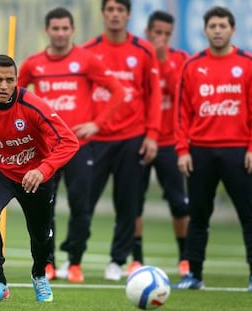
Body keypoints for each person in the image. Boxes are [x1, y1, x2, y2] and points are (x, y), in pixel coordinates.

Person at [0, 54, 79, 302]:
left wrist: (43, 170)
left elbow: (69, 142)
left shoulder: (33, 106)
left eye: (10, 80)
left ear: (18, 80)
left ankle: (39, 274)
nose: (4, 86)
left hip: (36, 176)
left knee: (40, 234)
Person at [18, 7, 125, 283]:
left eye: (65, 28)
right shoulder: (33, 64)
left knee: (81, 206)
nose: (61, 33)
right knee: (44, 207)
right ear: (47, 31)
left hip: (78, 146)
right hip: (46, 149)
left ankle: (75, 262)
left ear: (73, 30)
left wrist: (97, 124)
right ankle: (48, 263)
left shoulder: (87, 60)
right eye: (55, 28)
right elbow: (15, 96)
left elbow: (118, 91)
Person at [173, 6, 252, 292]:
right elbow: (181, 112)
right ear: (205, 30)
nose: (218, 30)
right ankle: (194, 274)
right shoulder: (192, 65)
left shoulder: (248, 64)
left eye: (223, 25)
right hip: (200, 153)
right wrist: (182, 150)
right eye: (213, 26)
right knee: (198, 216)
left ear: (233, 30)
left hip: (238, 152)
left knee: (249, 216)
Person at [82, 0, 162, 281]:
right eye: (110, 10)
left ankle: (118, 261)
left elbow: (153, 96)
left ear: (128, 15)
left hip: (132, 137)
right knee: (84, 200)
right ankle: (74, 259)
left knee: (127, 203)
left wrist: (152, 135)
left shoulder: (143, 50)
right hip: (96, 138)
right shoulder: (89, 50)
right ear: (103, 14)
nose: (115, 15)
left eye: (120, 10)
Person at [127, 10, 190, 277]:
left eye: (166, 34)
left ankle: (185, 258)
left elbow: (181, 95)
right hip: (140, 140)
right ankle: (136, 258)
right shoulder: (136, 59)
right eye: (157, 33)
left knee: (179, 203)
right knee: (133, 202)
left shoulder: (181, 60)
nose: (162, 38)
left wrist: (162, 60)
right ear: (148, 33)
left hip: (170, 143)